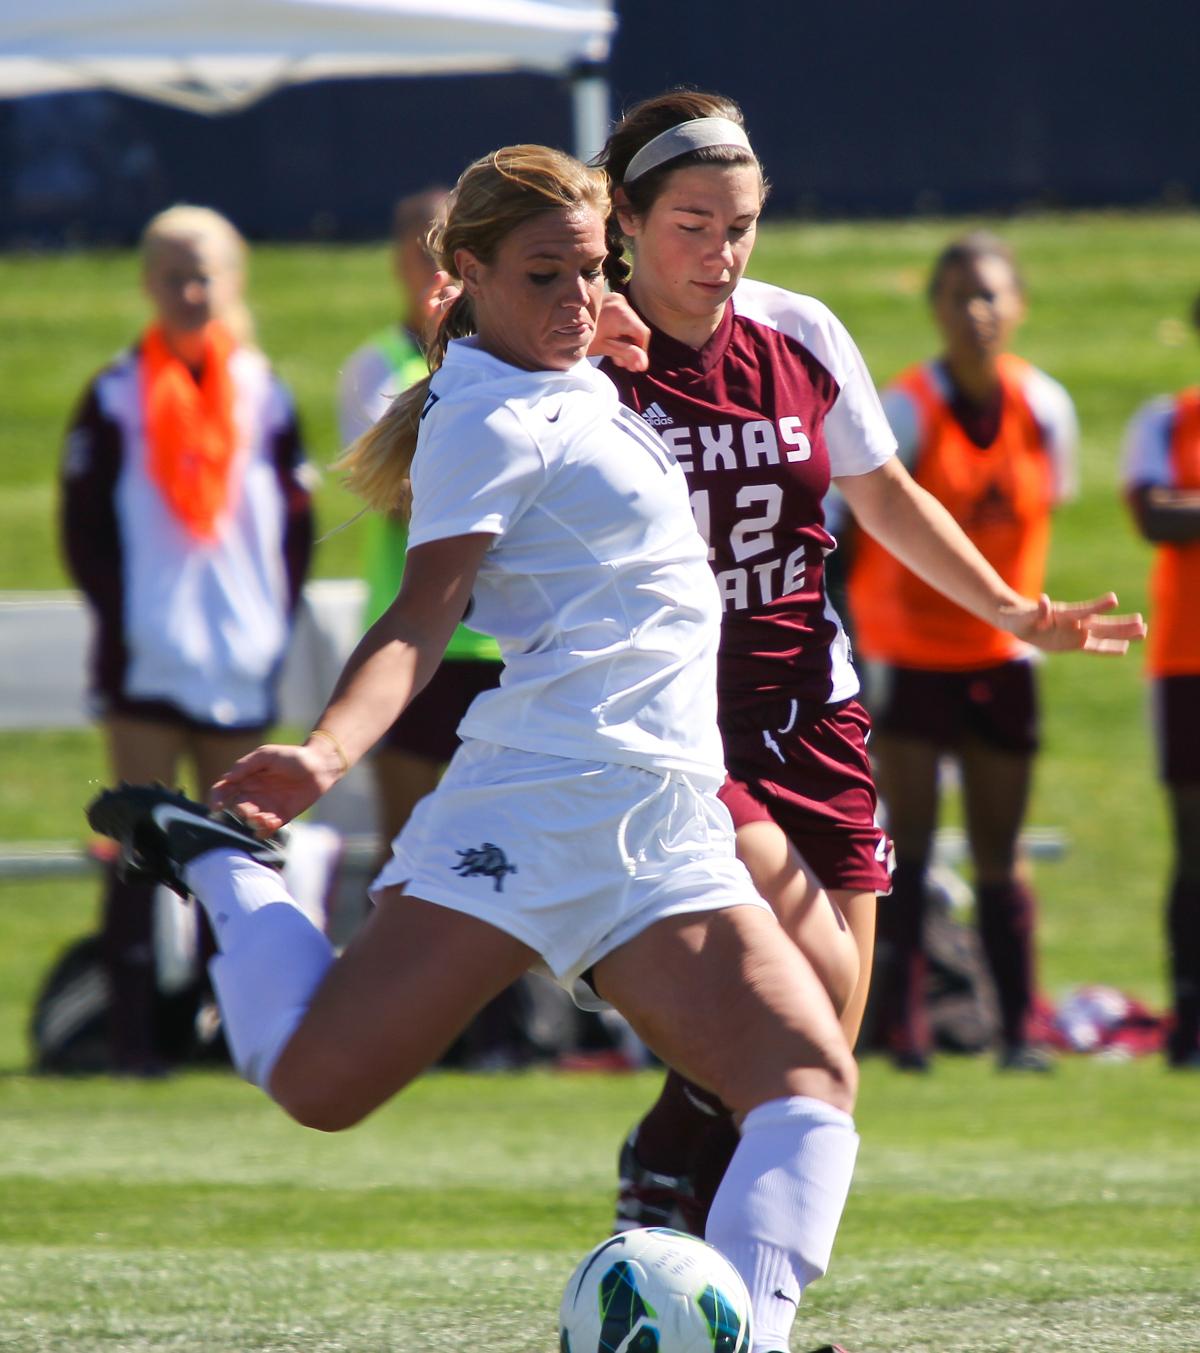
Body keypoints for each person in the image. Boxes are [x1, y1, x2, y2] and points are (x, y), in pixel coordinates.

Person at [87, 145, 864, 1353]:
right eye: (543, 274)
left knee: (809, 1093)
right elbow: (419, 614)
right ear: (463, 275)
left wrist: (602, 317)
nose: (577, 297)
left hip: (664, 820)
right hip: (536, 806)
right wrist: (326, 757)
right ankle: (227, 869)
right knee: (316, 1089)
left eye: (590, 269)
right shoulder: (481, 417)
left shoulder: (566, 357)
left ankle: (746, 1339)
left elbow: (592, 329)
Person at [591, 90, 1143, 1233]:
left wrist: (1010, 608)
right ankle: (678, 1185)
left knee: (820, 1062)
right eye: (692, 223)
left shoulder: (798, 331)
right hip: (676, 723)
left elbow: (883, 493)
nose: (722, 252)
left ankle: (696, 1215)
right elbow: (435, 448)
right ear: (627, 221)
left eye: (740, 224)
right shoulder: (580, 354)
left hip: (814, 705)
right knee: (806, 1000)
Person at [60, 204, 314, 1075]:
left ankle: (231, 1032)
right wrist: (130, 618)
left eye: (205, 273)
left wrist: (267, 620)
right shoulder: (116, 392)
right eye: (173, 274)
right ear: (147, 282)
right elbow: (84, 529)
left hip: (239, 653)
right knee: (137, 837)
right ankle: (133, 1034)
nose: (192, 291)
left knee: (229, 844)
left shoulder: (262, 389)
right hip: (148, 655)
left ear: (234, 279)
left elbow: (293, 526)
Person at [845, 232, 1079, 1073]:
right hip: (908, 654)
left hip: (1000, 655)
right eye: (958, 296)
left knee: (998, 850)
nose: (976, 312)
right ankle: (904, 1031)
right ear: (936, 309)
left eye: (991, 295)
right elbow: (853, 530)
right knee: (903, 842)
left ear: (1016, 305)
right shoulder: (907, 407)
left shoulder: (1044, 406)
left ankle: (1018, 1030)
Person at [337, 187, 502, 857]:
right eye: (419, 246)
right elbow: (393, 491)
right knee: (404, 843)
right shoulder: (377, 365)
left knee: (498, 841)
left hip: (499, 639)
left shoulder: (509, 355)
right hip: (412, 628)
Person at [1122, 293, 1200, 1068]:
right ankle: (1189, 1016)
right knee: (1195, 845)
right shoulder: (1166, 421)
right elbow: (1155, 516)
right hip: (1188, 659)